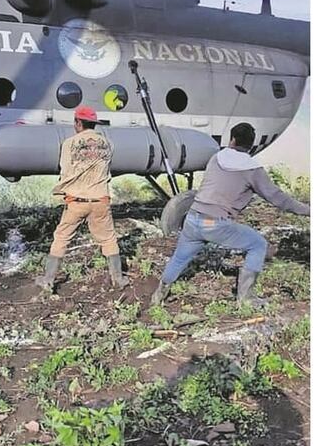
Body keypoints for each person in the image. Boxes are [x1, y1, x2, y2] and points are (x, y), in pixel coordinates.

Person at [152, 123, 310, 307]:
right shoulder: (251, 169)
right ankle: (246, 298)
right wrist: (307, 210)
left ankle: (158, 296)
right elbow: (278, 198)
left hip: (193, 218)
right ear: (251, 145)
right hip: (214, 223)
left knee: (179, 257)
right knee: (258, 244)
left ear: (232, 139)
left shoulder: (216, 157)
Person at [35, 105, 128, 292]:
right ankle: (117, 279)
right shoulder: (108, 143)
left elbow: (65, 171)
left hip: (76, 201)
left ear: (77, 122)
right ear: (94, 124)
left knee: (61, 238)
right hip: (101, 200)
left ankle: (48, 280)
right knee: (109, 239)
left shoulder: (69, 143)